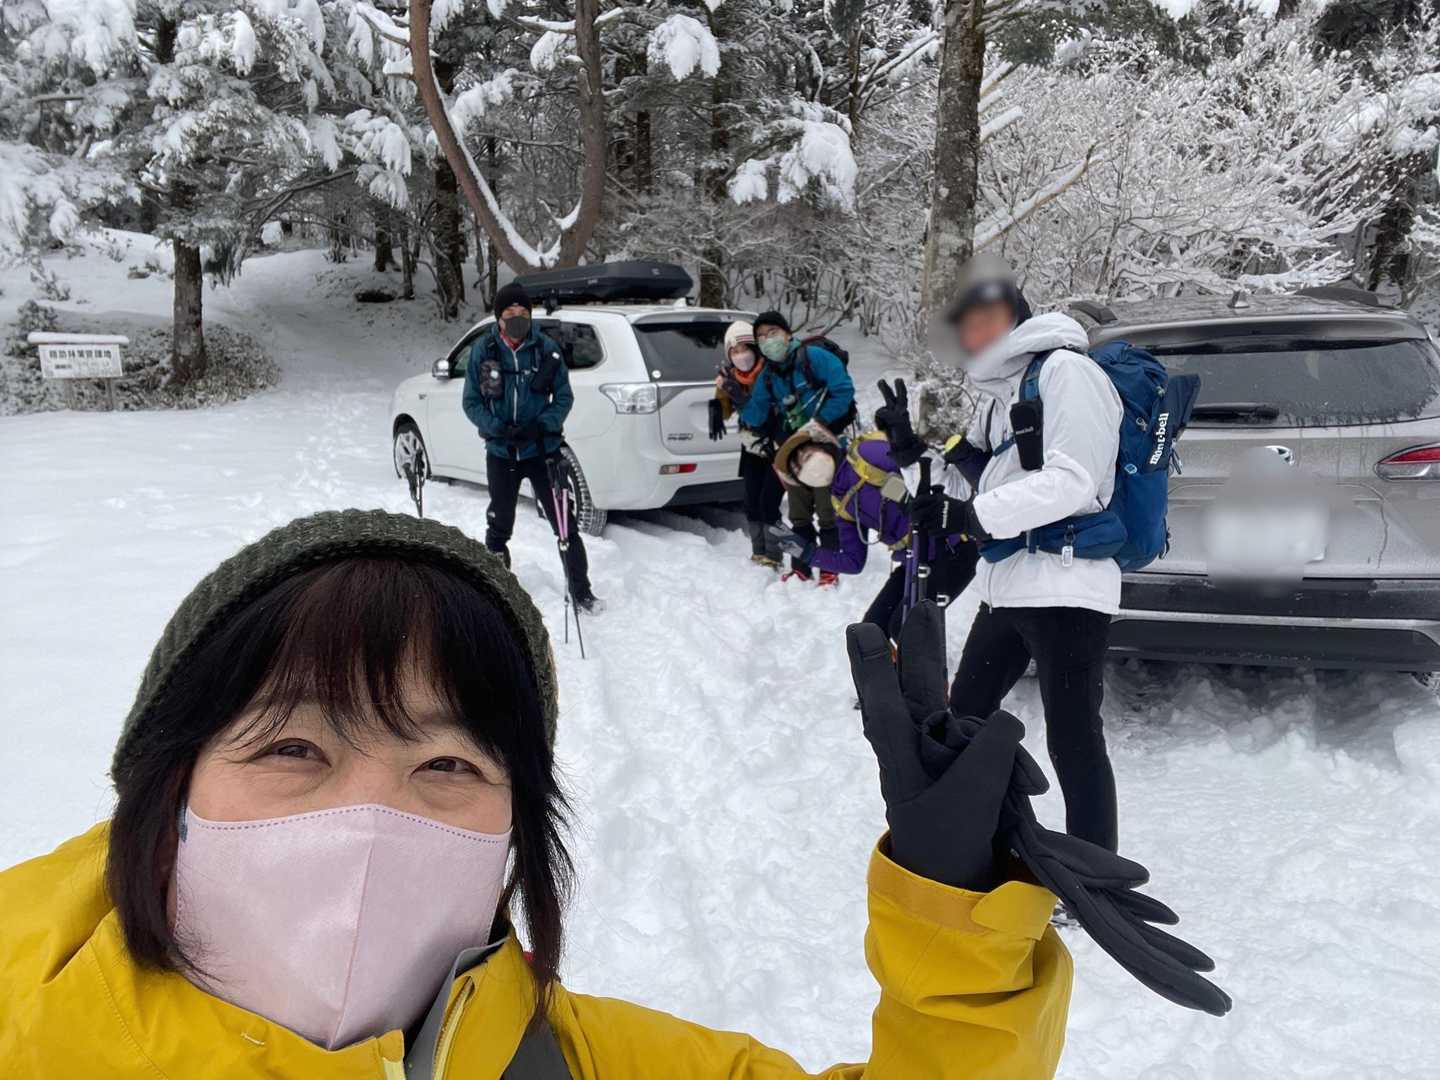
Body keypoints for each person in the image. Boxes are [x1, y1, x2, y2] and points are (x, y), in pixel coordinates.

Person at [0, 509, 1075, 1077]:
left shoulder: (579, 1064)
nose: (371, 820)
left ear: (514, 832)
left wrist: (956, 942)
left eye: (449, 766)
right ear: (167, 785)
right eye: (292, 747)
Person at [897, 254, 1125, 852]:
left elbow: (1073, 480)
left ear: (1017, 315)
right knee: (966, 718)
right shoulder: (1000, 394)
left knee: (1074, 739)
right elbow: (982, 478)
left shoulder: (1066, 372)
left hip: (1068, 582)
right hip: (1010, 583)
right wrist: (916, 465)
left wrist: (971, 517)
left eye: (989, 316)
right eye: (967, 324)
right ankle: (980, 846)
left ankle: (1095, 874)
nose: (978, 332)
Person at [463, 281, 602, 613]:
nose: (517, 317)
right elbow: (471, 402)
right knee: (499, 523)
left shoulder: (546, 349)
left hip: (543, 451)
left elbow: (564, 397)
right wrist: (497, 428)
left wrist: (541, 425)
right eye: (510, 312)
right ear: (499, 317)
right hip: (501, 452)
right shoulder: (484, 350)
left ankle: (582, 592)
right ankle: (496, 590)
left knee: (564, 523)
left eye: (523, 312)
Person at [771, 424, 980, 640]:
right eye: (797, 469)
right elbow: (853, 561)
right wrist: (806, 553)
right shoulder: (841, 504)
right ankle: (896, 663)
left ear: (821, 445)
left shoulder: (865, 453)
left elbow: (924, 471)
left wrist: (912, 497)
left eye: (805, 453)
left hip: (953, 547)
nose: (806, 465)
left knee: (906, 628)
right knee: (871, 631)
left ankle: (925, 662)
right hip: (914, 560)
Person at [738, 311, 855, 581]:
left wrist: (821, 421)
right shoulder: (768, 376)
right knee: (798, 514)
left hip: (826, 444)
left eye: (773, 333)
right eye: (761, 337)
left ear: (787, 334)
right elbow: (756, 415)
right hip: (794, 449)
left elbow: (844, 391)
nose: (768, 340)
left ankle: (830, 569)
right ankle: (801, 569)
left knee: (827, 512)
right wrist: (739, 400)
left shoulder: (815, 358)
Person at [709, 320, 784, 569]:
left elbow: (764, 412)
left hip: (775, 446)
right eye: (734, 351)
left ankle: (774, 554)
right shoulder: (733, 376)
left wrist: (738, 394)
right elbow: (726, 411)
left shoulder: (771, 373)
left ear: (755, 348)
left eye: (744, 349)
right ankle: (759, 551)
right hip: (751, 446)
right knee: (751, 501)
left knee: (768, 503)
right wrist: (719, 398)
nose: (741, 356)